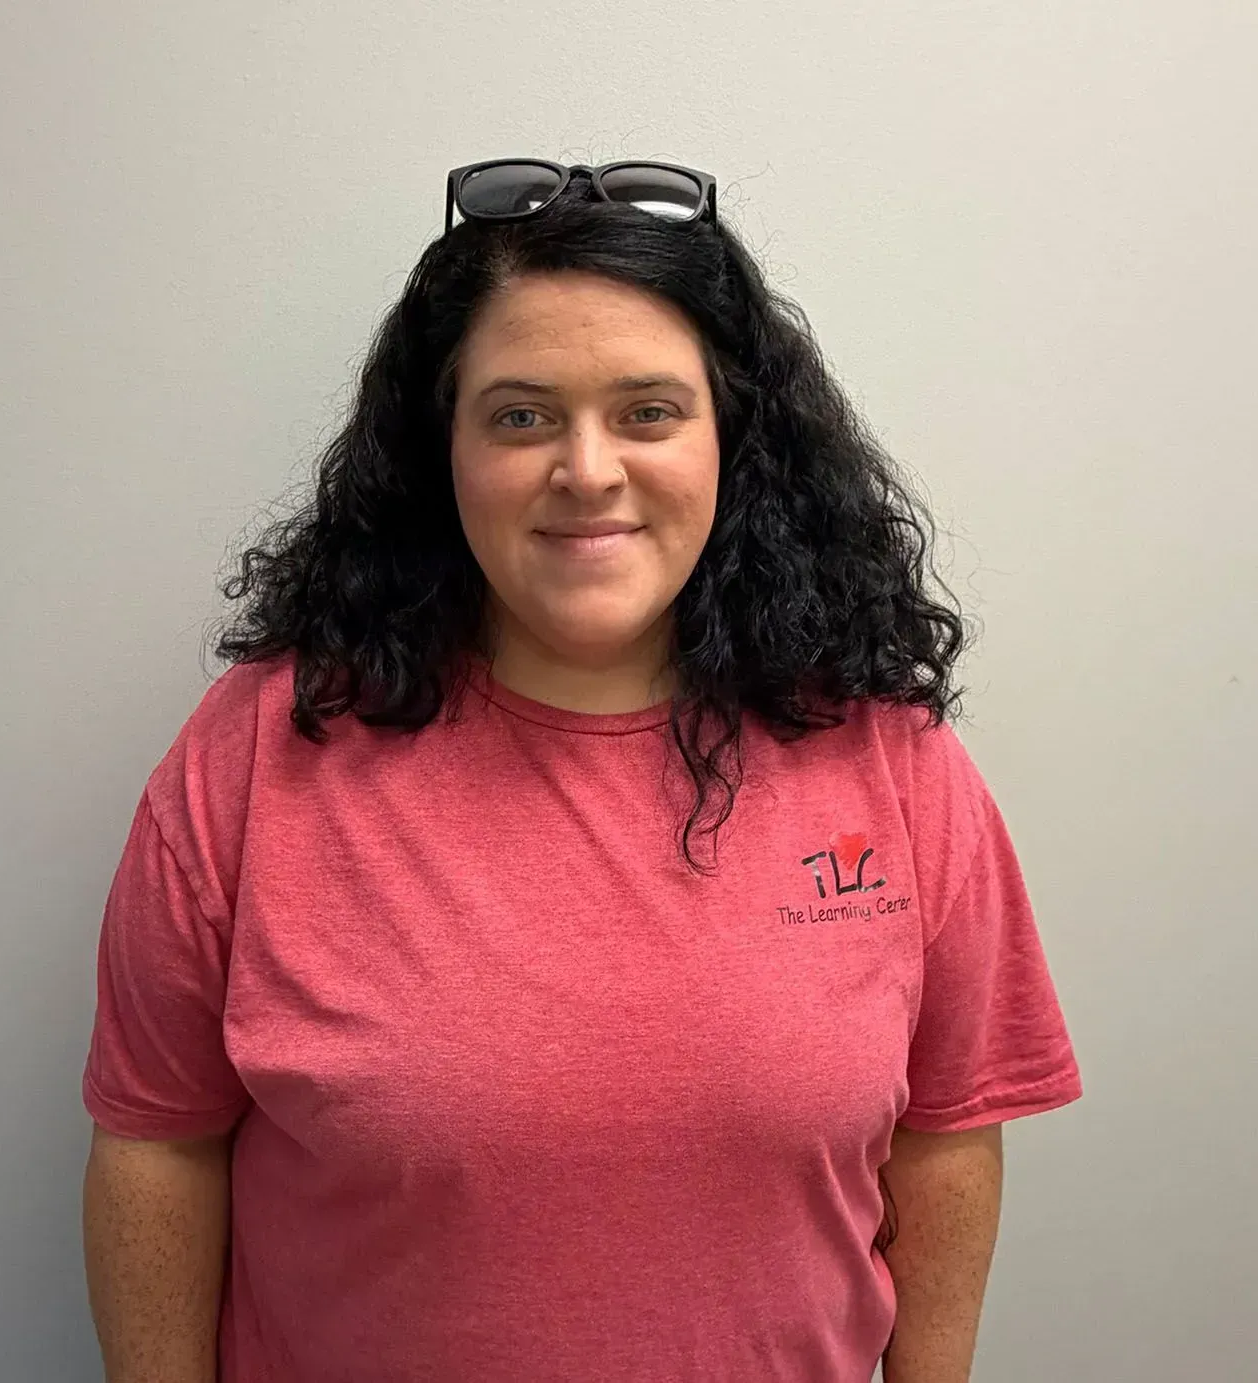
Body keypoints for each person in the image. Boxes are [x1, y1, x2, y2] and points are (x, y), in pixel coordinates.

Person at [81, 158, 1082, 1383]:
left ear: (733, 442)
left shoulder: (891, 762)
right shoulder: (259, 755)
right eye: (521, 415)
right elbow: (159, 1148)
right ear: (436, 449)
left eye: (649, 411)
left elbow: (946, 1138)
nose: (588, 470)